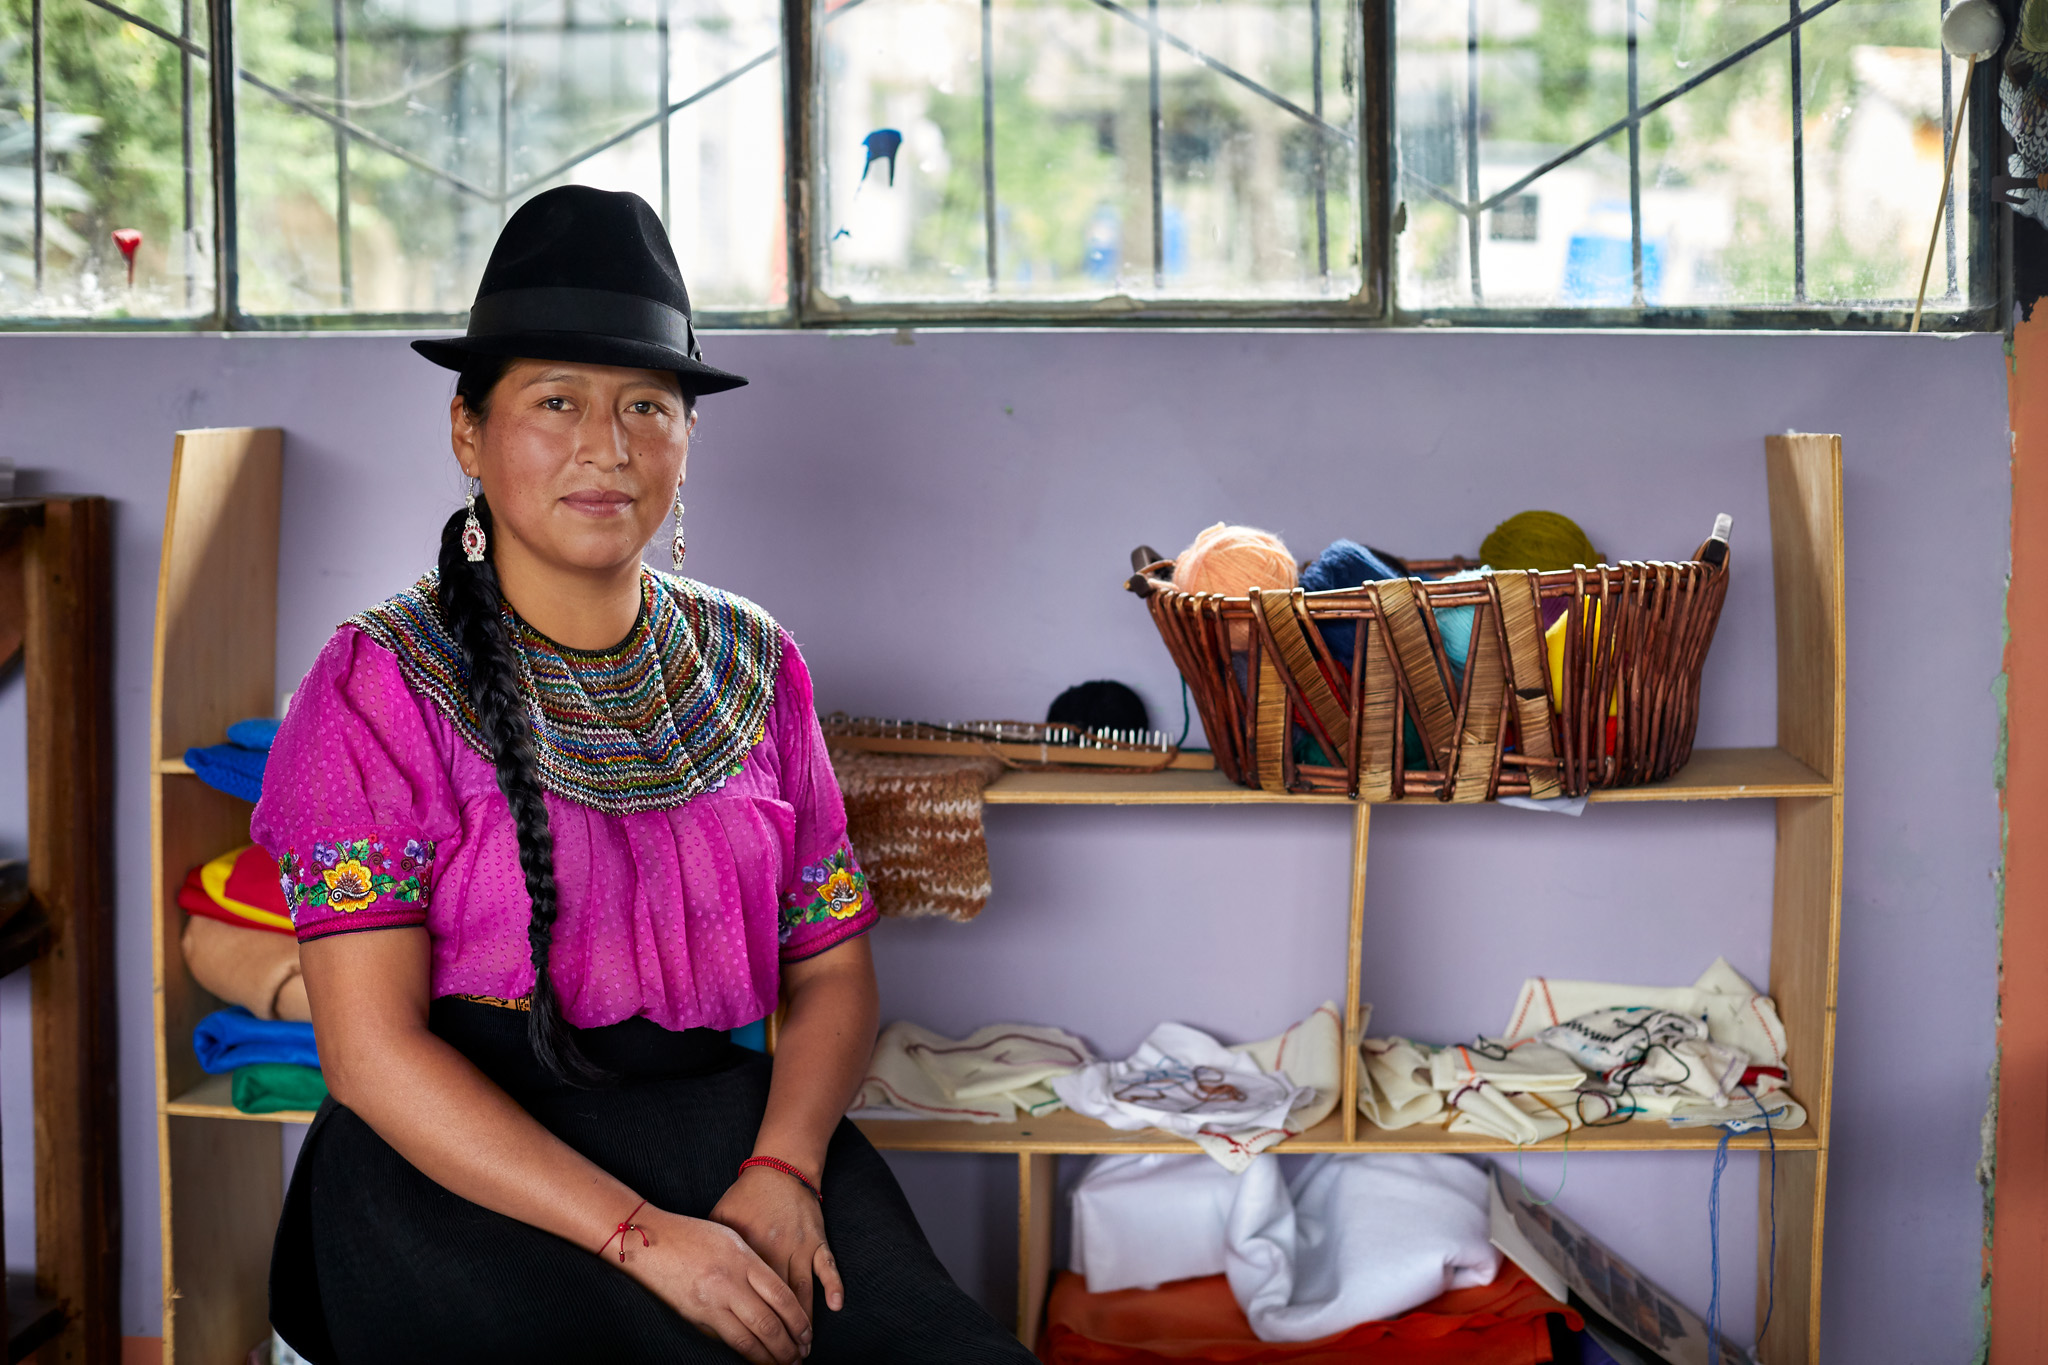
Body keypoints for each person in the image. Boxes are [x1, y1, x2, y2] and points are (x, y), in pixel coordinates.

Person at [253, 186, 1036, 1365]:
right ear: (467, 432)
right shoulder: (380, 679)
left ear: (686, 438)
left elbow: (830, 975)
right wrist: (642, 1240)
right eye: (554, 401)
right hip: (463, 1164)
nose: (606, 447)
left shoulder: (753, 661)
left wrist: (780, 1168)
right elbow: (370, 1057)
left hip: (728, 1138)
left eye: (646, 407)